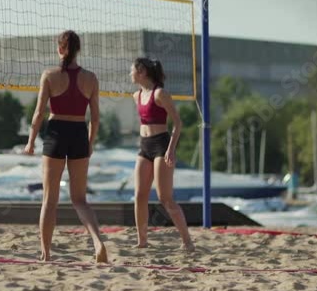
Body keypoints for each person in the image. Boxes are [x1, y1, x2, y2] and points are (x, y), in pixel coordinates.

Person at [24, 30, 109, 262]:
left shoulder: (49, 75)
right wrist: (90, 143)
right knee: (80, 199)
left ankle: (46, 253)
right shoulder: (91, 78)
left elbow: (39, 113)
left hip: (56, 133)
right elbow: (96, 118)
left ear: (60, 48)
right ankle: (97, 242)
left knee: (49, 200)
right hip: (79, 132)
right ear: (78, 50)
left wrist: (31, 141)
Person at [130, 58, 194, 251]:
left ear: (142, 72)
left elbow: (178, 123)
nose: (130, 74)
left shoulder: (160, 93)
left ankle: (187, 242)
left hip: (161, 145)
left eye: (132, 70)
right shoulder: (136, 95)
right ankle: (142, 241)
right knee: (139, 195)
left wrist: (171, 149)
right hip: (144, 146)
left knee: (165, 197)